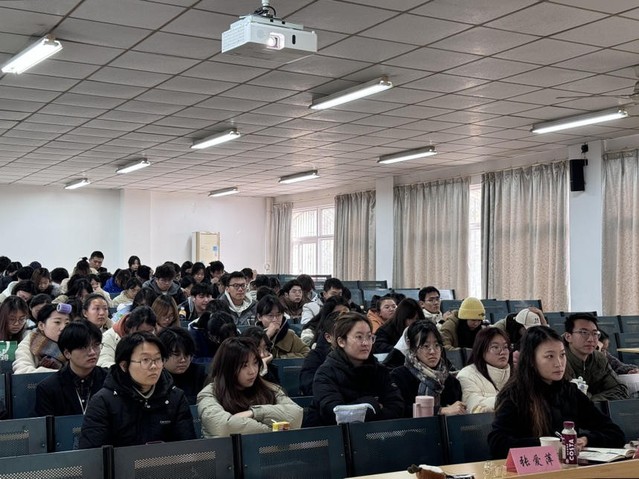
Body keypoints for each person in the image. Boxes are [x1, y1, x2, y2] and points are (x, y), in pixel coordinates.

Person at [488, 326, 625, 459]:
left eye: (562, 355)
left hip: (568, 468)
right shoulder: (515, 395)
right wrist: (547, 445)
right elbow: (498, 444)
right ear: (531, 360)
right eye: (550, 356)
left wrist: (585, 440)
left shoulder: (569, 391)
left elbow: (615, 433)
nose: (559, 363)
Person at [79, 332, 195, 448]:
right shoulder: (103, 402)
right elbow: (93, 453)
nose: (154, 366)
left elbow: (189, 448)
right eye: (145, 360)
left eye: (158, 359)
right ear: (124, 365)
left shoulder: (175, 397)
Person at [307, 312, 404, 426]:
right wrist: (371, 404)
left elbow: (397, 407)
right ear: (341, 341)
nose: (366, 343)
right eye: (359, 337)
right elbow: (336, 414)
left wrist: (360, 411)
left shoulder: (380, 371)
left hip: (376, 433)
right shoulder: (325, 374)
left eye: (369, 337)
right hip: (334, 435)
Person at [197, 337, 302, 437]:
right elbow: (223, 427)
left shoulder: (269, 388)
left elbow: (296, 415)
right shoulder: (209, 394)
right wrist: (273, 432)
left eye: (255, 363)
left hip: (269, 449)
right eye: (244, 366)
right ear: (228, 367)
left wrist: (254, 413)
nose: (252, 371)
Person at [391, 320, 464, 417]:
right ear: (412, 348)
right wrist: (440, 410)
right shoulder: (399, 377)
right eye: (426, 346)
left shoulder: (451, 381)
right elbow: (400, 410)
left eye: (437, 345)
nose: (432, 351)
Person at [35, 320, 108, 416]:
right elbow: (47, 424)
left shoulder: (111, 380)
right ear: (67, 353)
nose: (92, 352)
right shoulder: (48, 388)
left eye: (96, 345)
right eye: (84, 347)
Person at [563, 313, 628, 401]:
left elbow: (620, 390)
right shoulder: (558, 360)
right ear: (568, 337)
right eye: (584, 333)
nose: (591, 339)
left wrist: (593, 401)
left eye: (595, 334)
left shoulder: (599, 358)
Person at [457, 328, 511, 414]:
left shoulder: (517, 375)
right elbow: (475, 407)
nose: (502, 352)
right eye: (495, 347)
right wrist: (511, 400)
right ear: (481, 349)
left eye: (505, 347)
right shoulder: (467, 375)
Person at [13, 303, 70, 373]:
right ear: (41, 325)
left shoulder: (74, 343)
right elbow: (22, 371)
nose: (63, 327)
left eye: (67, 323)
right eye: (57, 322)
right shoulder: (30, 342)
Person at [158, 327, 207, 405]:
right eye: (177, 355)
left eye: (187, 354)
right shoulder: (154, 378)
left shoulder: (199, 374)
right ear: (162, 355)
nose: (183, 360)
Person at [300, 311, 341, 396]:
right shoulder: (315, 357)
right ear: (328, 337)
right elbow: (309, 387)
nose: (346, 338)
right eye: (340, 334)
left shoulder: (360, 357)